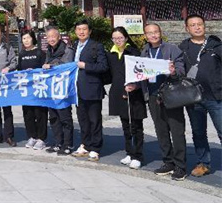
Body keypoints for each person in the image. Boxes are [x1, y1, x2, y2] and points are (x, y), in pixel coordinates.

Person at [133, 23, 187, 180]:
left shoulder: (171, 49)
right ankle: (168, 161)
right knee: (161, 130)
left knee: (177, 131)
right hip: (152, 96)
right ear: (145, 36)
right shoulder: (144, 51)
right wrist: (133, 85)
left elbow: (181, 70)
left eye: (156, 32)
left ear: (160, 32)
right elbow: (139, 73)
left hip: (171, 95)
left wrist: (173, 71)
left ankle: (180, 166)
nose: (153, 35)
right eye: (150, 33)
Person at [179, 14, 222, 178]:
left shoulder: (216, 46)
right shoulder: (183, 48)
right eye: (193, 25)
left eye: (199, 24)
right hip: (193, 98)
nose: (197, 27)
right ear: (187, 28)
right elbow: (179, 69)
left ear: (204, 26)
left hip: (216, 97)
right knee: (198, 133)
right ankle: (204, 163)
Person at [106, 26, 146, 170]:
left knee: (136, 126)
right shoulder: (110, 54)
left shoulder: (133, 52)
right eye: (115, 38)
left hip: (133, 93)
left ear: (126, 38)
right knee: (126, 126)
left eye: (120, 38)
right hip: (118, 92)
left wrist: (135, 86)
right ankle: (129, 152)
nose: (117, 41)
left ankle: (138, 156)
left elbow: (141, 73)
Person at [70, 19, 108, 162]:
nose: (81, 32)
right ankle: (85, 144)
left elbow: (103, 66)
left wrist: (85, 65)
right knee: (83, 120)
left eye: (84, 29)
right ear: (75, 31)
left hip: (92, 89)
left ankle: (96, 148)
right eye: (79, 29)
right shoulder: (74, 46)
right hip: (77, 90)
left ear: (90, 31)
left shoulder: (96, 46)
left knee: (94, 120)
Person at [42, 26, 75, 155]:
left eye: (53, 37)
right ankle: (58, 142)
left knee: (65, 118)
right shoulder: (49, 50)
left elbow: (67, 66)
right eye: (48, 37)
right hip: (52, 89)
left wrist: (51, 66)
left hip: (63, 89)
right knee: (54, 118)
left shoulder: (67, 50)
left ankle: (68, 144)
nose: (51, 39)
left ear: (59, 37)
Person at [18, 30, 48, 150]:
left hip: (39, 88)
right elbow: (19, 69)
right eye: (24, 38)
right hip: (27, 89)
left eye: (28, 38)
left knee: (40, 113)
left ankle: (41, 138)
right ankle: (32, 136)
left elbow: (45, 69)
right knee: (28, 113)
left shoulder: (40, 53)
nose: (26, 40)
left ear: (33, 39)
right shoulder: (21, 54)